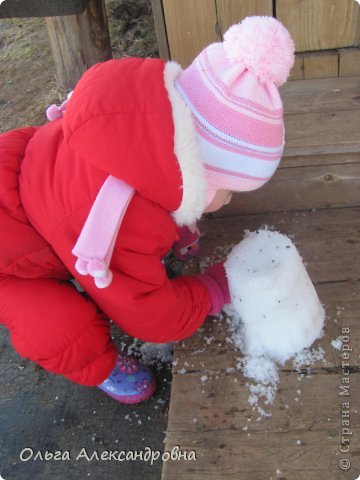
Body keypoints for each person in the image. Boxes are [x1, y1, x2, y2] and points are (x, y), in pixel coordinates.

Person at [0, 16, 295, 404]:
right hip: (14, 258)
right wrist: (209, 291)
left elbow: (157, 183)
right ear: (199, 178)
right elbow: (148, 314)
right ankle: (100, 368)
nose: (230, 201)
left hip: (29, 176)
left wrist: (182, 221)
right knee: (58, 328)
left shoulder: (137, 128)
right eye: (229, 190)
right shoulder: (119, 223)